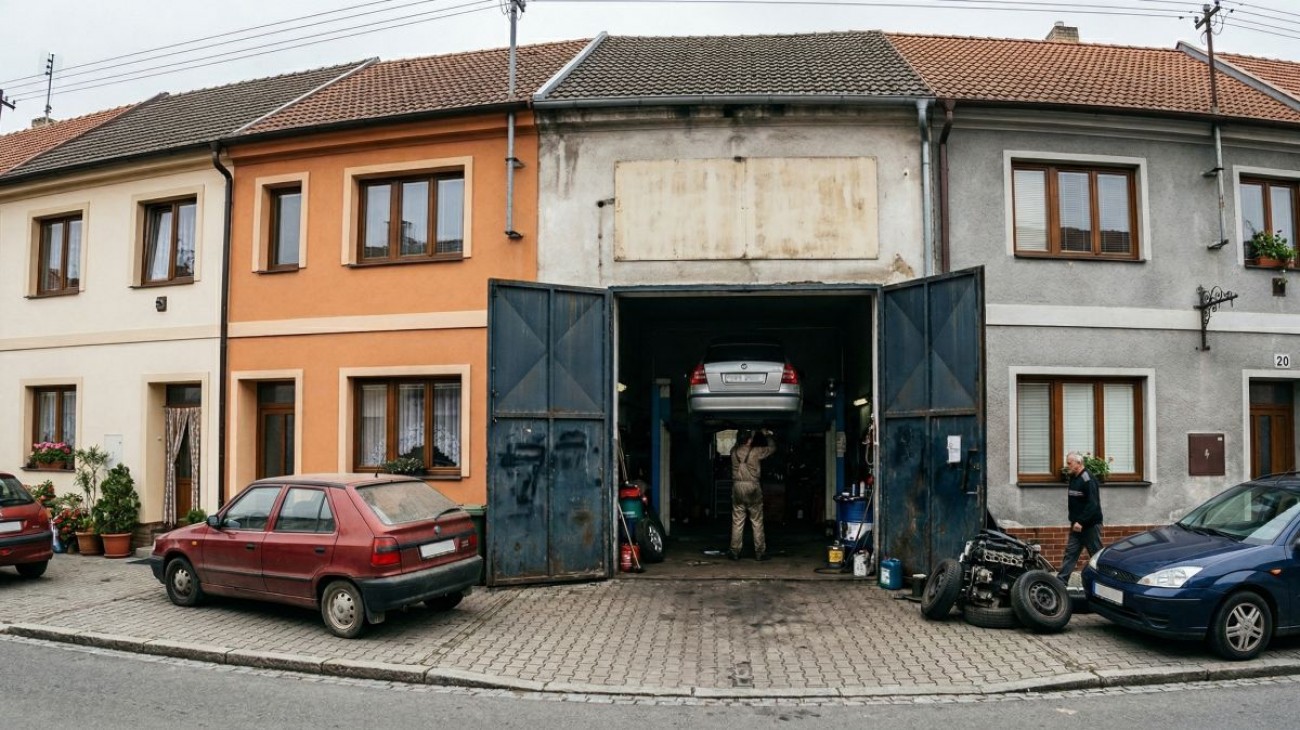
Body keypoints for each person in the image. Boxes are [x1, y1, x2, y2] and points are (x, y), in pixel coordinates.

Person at [729, 427, 777, 561]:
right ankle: (760, 552)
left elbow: (737, 445)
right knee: (756, 521)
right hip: (752, 486)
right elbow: (772, 448)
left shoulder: (733, 451)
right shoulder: (756, 451)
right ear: (749, 440)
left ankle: (734, 552)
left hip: (737, 487)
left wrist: (744, 437)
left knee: (737, 520)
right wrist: (767, 436)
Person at [1058, 451, 1103, 584]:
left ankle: (1103, 581)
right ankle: (1060, 582)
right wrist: (1075, 521)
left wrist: (1081, 521)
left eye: (1069, 463)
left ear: (1078, 463)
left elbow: (1093, 504)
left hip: (1090, 526)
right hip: (1076, 525)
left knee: (1096, 555)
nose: (1067, 466)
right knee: (1070, 553)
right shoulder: (1074, 477)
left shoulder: (1088, 479)